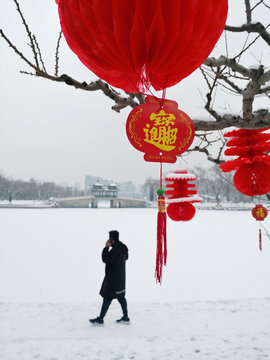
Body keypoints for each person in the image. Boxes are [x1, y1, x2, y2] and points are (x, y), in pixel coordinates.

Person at [90, 230, 130, 325]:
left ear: (112, 239)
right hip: (121, 278)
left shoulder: (114, 250)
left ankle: (100, 319)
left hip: (112, 279)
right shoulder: (123, 247)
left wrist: (106, 247)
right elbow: (126, 257)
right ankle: (125, 317)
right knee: (121, 297)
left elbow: (105, 259)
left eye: (110, 238)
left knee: (107, 298)